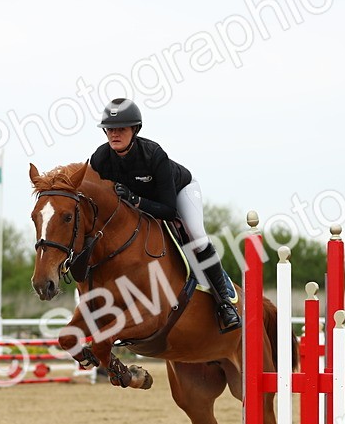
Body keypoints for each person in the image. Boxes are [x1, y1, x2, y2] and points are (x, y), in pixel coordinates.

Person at [88, 98, 241, 333]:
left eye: (121, 129)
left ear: (135, 130)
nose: (114, 134)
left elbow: (169, 210)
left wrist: (135, 200)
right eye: (110, 129)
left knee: (196, 236)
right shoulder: (100, 158)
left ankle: (224, 303)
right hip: (139, 204)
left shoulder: (153, 154)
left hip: (178, 192)